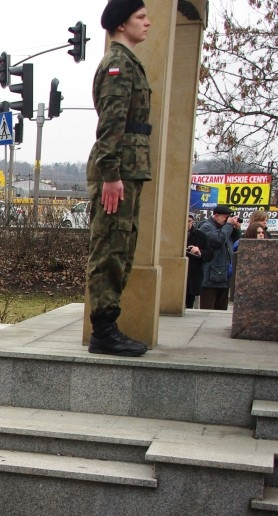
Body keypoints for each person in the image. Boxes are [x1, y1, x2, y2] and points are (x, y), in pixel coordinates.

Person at [85, 0, 152, 356]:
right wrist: (111, 174)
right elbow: (111, 123)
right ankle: (103, 329)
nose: (148, 23)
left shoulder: (128, 63)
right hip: (118, 169)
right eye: (141, 17)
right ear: (121, 24)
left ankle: (109, 325)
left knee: (123, 246)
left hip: (128, 167)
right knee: (110, 246)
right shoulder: (117, 65)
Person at [198, 205, 242, 310]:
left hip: (224, 276)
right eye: (225, 217)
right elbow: (218, 241)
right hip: (210, 278)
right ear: (216, 216)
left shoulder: (225, 228)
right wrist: (228, 225)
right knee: (208, 310)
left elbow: (236, 241)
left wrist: (236, 229)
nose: (227, 220)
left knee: (221, 310)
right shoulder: (206, 226)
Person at [185, 213, 213, 309]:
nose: (188, 224)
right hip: (177, 273)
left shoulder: (200, 235)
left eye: (189, 221)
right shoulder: (175, 235)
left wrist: (199, 251)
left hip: (193, 273)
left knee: (190, 301)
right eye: (185, 221)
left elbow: (209, 254)